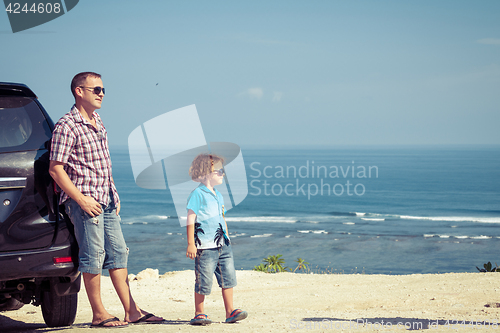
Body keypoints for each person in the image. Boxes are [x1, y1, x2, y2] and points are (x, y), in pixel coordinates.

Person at [49, 72, 164, 328]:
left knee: (118, 254)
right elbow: (55, 169)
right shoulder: (67, 125)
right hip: (85, 202)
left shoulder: (98, 121)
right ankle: (99, 314)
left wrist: (114, 192)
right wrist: (80, 200)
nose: (101, 94)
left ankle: (132, 311)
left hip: (107, 200)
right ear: (79, 91)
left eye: (103, 90)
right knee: (93, 256)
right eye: (96, 89)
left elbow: (103, 164)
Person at [186, 153, 248, 325]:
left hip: (223, 245)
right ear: (206, 173)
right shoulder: (198, 194)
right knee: (203, 280)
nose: (222, 174)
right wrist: (191, 243)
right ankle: (199, 312)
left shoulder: (218, 195)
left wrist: (227, 237)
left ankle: (230, 311)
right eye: (219, 171)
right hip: (205, 247)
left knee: (228, 278)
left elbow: (222, 217)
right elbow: (191, 218)